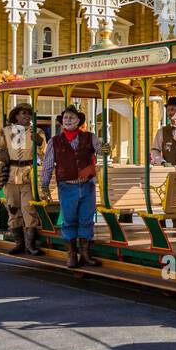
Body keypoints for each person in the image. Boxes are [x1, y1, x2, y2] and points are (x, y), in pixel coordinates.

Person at [41, 104, 105, 268]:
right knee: (69, 221)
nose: (68, 120)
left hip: (87, 185)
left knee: (86, 220)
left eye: (71, 117)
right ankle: (71, 255)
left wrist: (105, 148)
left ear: (78, 121)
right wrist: (44, 185)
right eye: (65, 118)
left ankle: (85, 254)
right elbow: (48, 165)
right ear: (62, 122)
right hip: (67, 186)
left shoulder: (90, 137)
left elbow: (102, 151)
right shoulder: (54, 142)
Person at [0, 102, 46, 255]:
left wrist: (40, 143)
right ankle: (19, 243)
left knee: (28, 208)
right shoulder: (5, 131)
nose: (27, 116)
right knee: (13, 207)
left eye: (29, 113)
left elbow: (45, 153)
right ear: (16, 115)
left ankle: (30, 245)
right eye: (23, 113)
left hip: (28, 173)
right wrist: (0, 153)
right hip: (10, 174)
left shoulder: (38, 131)